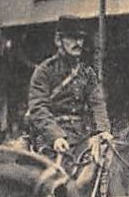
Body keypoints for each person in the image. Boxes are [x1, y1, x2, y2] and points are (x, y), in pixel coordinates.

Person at [24, 16, 110, 165]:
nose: (78, 43)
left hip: (82, 135)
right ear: (58, 41)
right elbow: (38, 108)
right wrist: (56, 136)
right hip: (49, 137)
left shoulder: (87, 73)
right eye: (72, 38)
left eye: (80, 39)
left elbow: (97, 104)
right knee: (53, 179)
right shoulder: (44, 71)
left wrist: (103, 130)